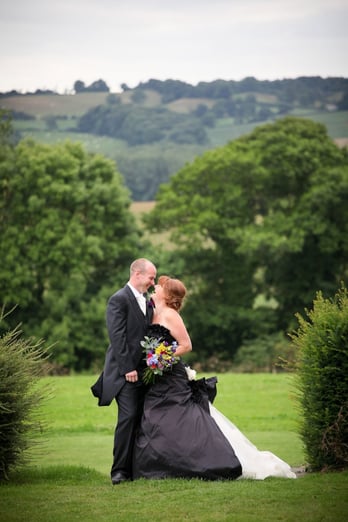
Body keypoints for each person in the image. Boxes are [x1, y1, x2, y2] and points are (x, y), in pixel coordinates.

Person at [132, 275, 297, 481]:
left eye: (160, 286)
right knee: (155, 418)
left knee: (179, 419)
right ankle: (161, 466)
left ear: (166, 295)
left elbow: (186, 345)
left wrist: (162, 357)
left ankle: (199, 462)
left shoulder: (171, 315)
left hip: (171, 376)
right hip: (157, 378)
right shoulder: (152, 311)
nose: (155, 287)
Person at [91, 258, 157, 485]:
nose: (153, 282)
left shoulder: (147, 302)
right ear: (137, 274)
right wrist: (128, 367)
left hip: (145, 373)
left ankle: (136, 469)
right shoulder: (118, 299)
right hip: (124, 373)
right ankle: (119, 471)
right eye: (151, 277)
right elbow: (117, 336)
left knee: (141, 418)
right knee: (127, 418)